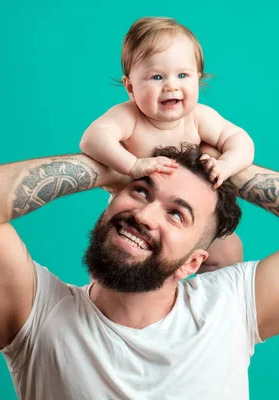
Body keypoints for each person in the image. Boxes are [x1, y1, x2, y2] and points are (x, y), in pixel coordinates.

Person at [0, 143, 279, 399]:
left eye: (177, 214)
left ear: (194, 264)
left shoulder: (231, 308)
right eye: (139, 192)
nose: (146, 215)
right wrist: (110, 164)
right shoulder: (36, 316)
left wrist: (231, 169)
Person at [80, 17, 253, 272]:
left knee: (229, 250)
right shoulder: (129, 117)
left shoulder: (199, 117)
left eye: (183, 75)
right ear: (130, 87)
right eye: (157, 77)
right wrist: (133, 165)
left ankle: (199, 305)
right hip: (135, 222)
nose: (171, 85)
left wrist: (225, 165)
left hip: (183, 218)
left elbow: (241, 141)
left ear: (198, 78)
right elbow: (92, 138)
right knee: (118, 262)